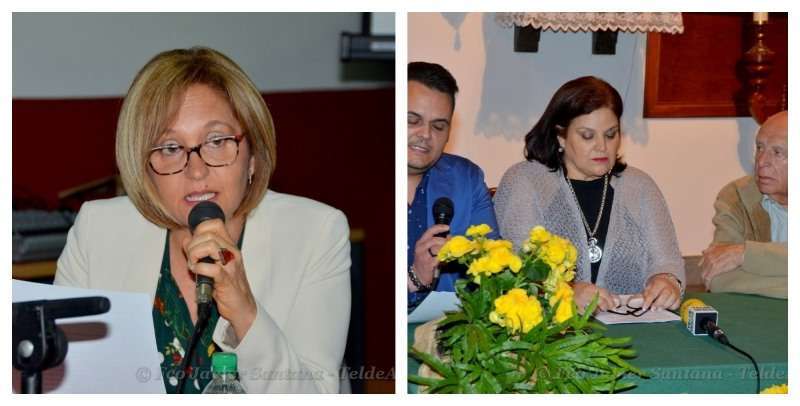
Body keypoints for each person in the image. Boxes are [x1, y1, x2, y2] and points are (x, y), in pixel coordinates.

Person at [54, 47, 351, 393]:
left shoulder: (316, 233)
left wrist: (246, 313)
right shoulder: (97, 230)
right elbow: (63, 381)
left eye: (217, 141)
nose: (197, 171)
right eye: (169, 148)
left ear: (253, 155)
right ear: (144, 169)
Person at [494, 76, 684, 313]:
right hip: (551, 334)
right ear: (560, 136)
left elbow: (667, 261)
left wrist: (667, 282)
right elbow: (513, 272)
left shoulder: (640, 186)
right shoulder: (525, 182)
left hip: (632, 331)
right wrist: (566, 291)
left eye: (611, 134)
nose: (602, 147)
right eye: (587, 136)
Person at [407, 62, 498, 311]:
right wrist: (413, 279)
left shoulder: (466, 180)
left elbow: (495, 273)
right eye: (412, 120)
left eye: (438, 126)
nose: (425, 134)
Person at [700, 111, 788, 298]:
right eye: (759, 147)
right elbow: (719, 278)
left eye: (777, 152)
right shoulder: (736, 196)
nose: (761, 161)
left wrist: (746, 254)